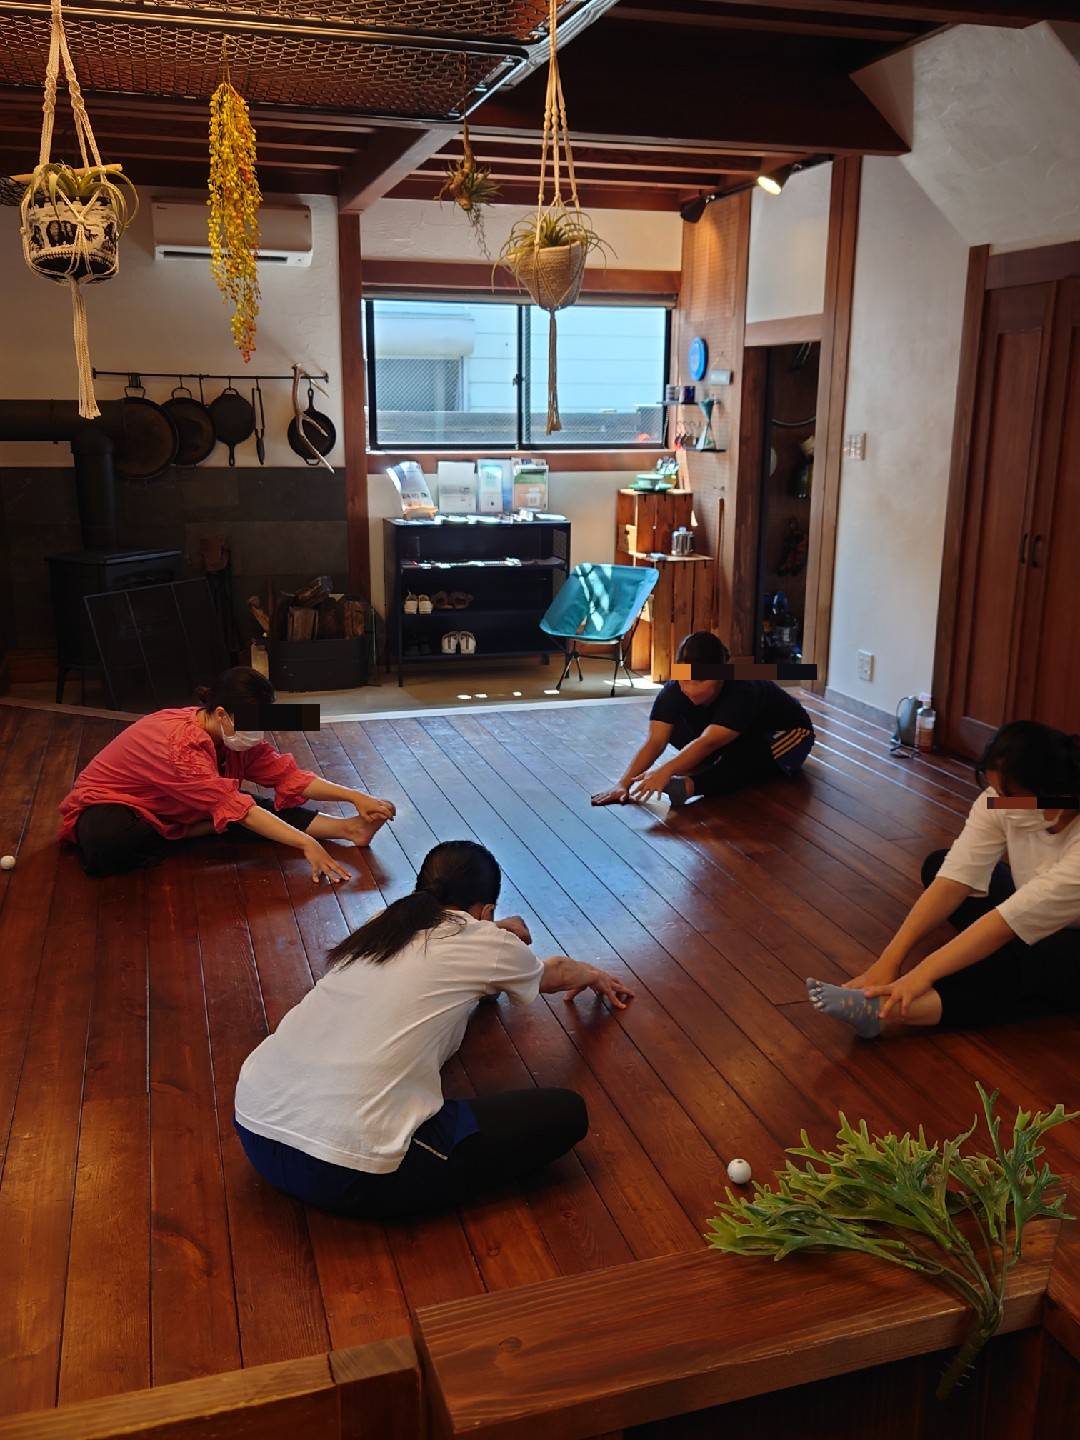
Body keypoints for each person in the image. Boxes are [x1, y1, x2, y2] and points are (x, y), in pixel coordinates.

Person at [233, 840, 635, 1220]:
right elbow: (554, 973)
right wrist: (592, 973)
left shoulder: (382, 928)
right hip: (346, 1171)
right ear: (486, 910)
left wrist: (495, 935)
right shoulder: (487, 942)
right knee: (566, 1113)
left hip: (255, 1125)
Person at [807, 721, 1080, 1038]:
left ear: (1053, 789)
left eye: (1012, 795)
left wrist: (918, 976)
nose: (1001, 801)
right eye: (997, 791)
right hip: (1035, 907)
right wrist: (888, 962)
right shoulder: (1001, 801)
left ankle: (888, 1012)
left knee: (1035, 955)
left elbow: (1007, 923)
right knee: (940, 866)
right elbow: (954, 879)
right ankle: (995, 960)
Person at [59, 666, 395, 882]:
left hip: (177, 802)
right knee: (109, 844)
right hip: (114, 805)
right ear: (222, 714)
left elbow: (289, 776)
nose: (258, 729)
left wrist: (355, 796)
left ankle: (349, 828)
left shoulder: (230, 733)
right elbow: (239, 809)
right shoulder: (181, 747)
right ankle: (197, 829)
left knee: (247, 807)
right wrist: (305, 843)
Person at [591, 630, 815, 808]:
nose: (690, 689)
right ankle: (710, 768)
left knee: (746, 758)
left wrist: (665, 772)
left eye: (699, 681)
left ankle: (689, 787)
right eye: (685, 680)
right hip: (735, 734)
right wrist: (623, 783)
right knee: (674, 727)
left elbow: (708, 742)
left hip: (788, 735)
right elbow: (656, 741)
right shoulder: (673, 689)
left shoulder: (743, 688)